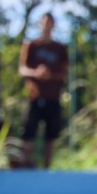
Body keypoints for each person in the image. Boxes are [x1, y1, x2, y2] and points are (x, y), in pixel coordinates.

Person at [18, 12, 69, 168]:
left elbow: (65, 72)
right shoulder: (31, 46)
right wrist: (36, 73)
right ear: (40, 23)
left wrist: (50, 75)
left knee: (51, 135)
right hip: (34, 96)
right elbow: (22, 69)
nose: (47, 25)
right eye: (44, 21)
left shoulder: (60, 48)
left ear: (54, 25)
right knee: (29, 132)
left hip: (52, 97)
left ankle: (47, 167)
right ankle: (26, 164)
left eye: (50, 22)